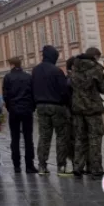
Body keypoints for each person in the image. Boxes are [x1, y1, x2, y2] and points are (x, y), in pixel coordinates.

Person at [69, 47, 104, 178]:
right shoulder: (96, 69)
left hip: (78, 107)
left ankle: (78, 166)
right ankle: (95, 168)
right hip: (92, 107)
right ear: (95, 56)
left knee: (80, 138)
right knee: (95, 138)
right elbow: (103, 89)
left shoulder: (75, 67)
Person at [32, 45, 70, 175]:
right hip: (57, 106)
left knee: (44, 136)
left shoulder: (35, 70)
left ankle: (42, 166)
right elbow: (64, 90)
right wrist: (66, 104)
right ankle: (61, 166)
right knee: (61, 136)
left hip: (41, 106)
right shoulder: (57, 71)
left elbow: (32, 88)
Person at [1, 56, 36, 174]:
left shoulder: (7, 77)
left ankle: (17, 165)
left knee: (15, 138)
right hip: (27, 110)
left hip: (14, 110)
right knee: (28, 138)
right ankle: (29, 165)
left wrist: (9, 107)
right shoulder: (28, 77)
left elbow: (5, 95)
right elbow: (33, 94)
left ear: (12, 65)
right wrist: (32, 107)